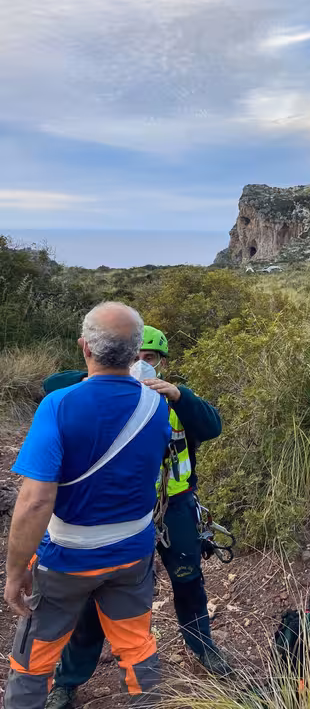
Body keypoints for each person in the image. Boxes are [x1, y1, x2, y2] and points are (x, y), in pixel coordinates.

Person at [44, 325, 229, 709]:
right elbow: (52, 384)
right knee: (95, 596)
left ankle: (203, 648)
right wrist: (100, 377)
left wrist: (178, 394)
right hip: (122, 515)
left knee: (189, 582)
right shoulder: (99, 395)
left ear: (161, 363)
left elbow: (212, 425)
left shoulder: (173, 399)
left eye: (149, 358)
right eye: (133, 357)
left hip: (175, 508)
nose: (141, 364)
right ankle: (69, 679)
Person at [4, 303, 172, 709]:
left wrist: (14, 572)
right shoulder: (157, 406)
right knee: (137, 647)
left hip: (66, 560)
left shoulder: (58, 405)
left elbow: (36, 500)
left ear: (85, 347)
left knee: (34, 658)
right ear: (136, 354)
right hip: (133, 554)